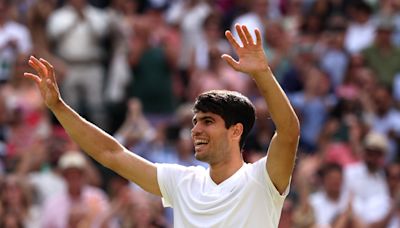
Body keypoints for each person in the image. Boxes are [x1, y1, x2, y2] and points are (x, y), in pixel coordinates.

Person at [24, 24, 300, 227]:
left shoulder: (262, 180)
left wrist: (262, 74)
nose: (195, 130)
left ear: (236, 130)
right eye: (194, 122)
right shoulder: (182, 182)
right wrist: (58, 106)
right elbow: (111, 154)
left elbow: (288, 133)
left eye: (208, 121)